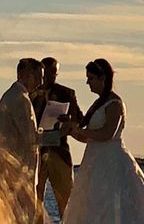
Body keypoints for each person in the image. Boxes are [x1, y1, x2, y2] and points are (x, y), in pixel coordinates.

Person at [62, 59, 144, 224]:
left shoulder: (114, 104)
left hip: (111, 161)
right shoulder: (98, 103)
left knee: (112, 203)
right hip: (94, 161)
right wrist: (71, 130)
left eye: (91, 78)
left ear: (102, 78)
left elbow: (107, 134)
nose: (87, 82)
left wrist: (79, 129)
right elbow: (88, 137)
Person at [30, 57, 83, 221]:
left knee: (66, 198)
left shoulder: (66, 93)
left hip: (58, 151)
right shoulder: (29, 93)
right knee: (34, 198)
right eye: (49, 72)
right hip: (35, 152)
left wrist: (68, 120)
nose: (51, 76)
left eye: (55, 73)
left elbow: (80, 119)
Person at [0, 58, 44, 223]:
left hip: (9, 168)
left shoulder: (11, 95)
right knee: (23, 214)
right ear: (27, 75)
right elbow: (30, 138)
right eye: (39, 77)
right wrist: (58, 134)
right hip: (19, 168)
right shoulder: (20, 99)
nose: (40, 83)